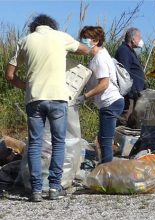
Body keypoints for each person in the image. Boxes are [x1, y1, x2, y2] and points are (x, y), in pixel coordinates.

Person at [5, 14, 89, 202]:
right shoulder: (61, 37)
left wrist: (26, 86)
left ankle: (35, 190)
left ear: (34, 27)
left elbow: (9, 75)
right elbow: (85, 50)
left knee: (35, 144)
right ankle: (53, 188)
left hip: (35, 98)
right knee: (59, 142)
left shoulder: (24, 41)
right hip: (58, 98)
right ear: (52, 26)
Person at [77, 26, 124, 164]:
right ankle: (104, 168)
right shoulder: (100, 56)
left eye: (86, 39)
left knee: (105, 141)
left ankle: (106, 172)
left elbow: (104, 84)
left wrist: (85, 96)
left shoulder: (99, 58)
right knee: (103, 138)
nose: (83, 42)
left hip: (110, 102)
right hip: (109, 103)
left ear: (96, 41)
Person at [114, 27, 145, 126]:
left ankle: (128, 139)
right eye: (139, 38)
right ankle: (117, 138)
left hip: (135, 93)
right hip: (129, 94)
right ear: (133, 39)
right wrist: (130, 92)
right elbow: (124, 74)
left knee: (133, 119)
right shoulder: (124, 51)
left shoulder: (130, 51)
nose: (141, 40)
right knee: (125, 117)